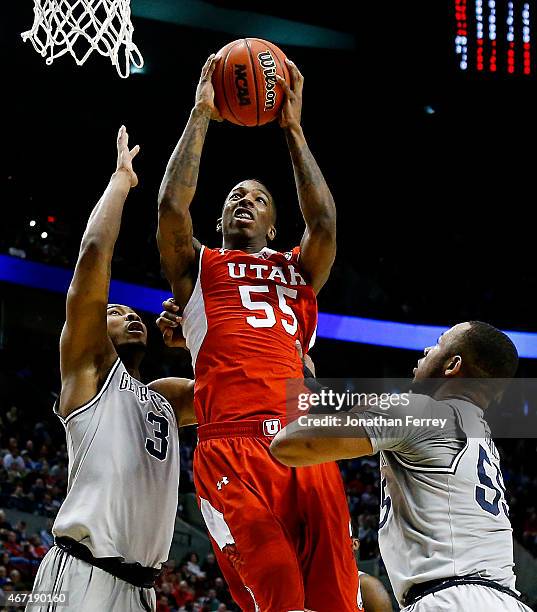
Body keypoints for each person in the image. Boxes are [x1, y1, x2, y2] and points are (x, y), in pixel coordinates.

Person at [156, 54, 361, 611]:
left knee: (337, 601)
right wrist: (201, 113)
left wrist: (293, 129)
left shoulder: (298, 268)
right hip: (230, 446)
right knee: (280, 592)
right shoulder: (198, 267)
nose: (243, 201)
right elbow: (172, 207)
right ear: (219, 222)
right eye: (233, 199)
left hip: (304, 441)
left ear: (274, 224)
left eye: (258, 199)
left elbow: (324, 224)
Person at [28, 127, 195, 612]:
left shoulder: (164, 396)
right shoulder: (89, 372)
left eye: (133, 311)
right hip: (82, 574)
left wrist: (198, 339)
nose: (129, 315)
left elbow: (235, 391)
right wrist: (122, 181)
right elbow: (92, 259)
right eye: (114, 311)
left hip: (142, 588)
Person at [271, 321, 533, 612]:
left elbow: (290, 444)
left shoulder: (423, 411)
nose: (426, 349)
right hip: (505, 600)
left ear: (452, 365)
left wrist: (299, 392)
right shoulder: (479, 433)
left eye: (438, 343)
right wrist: (315, 388)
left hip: (452, 600)